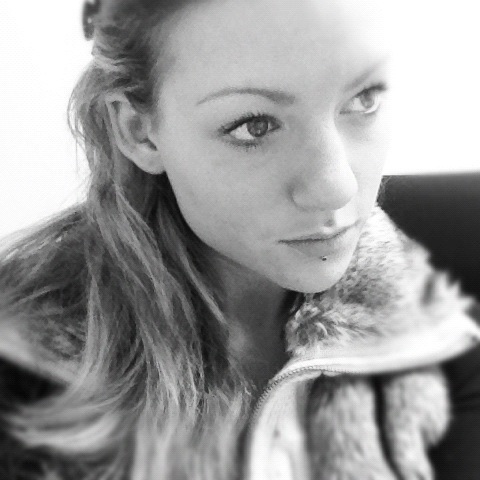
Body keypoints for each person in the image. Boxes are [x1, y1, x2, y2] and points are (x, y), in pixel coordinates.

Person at [0, 0, 479, 479]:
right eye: (254, 126)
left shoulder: (437, 334)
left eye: (364, 100)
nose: (337, 187)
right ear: (139, 131)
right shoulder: (22, 368)